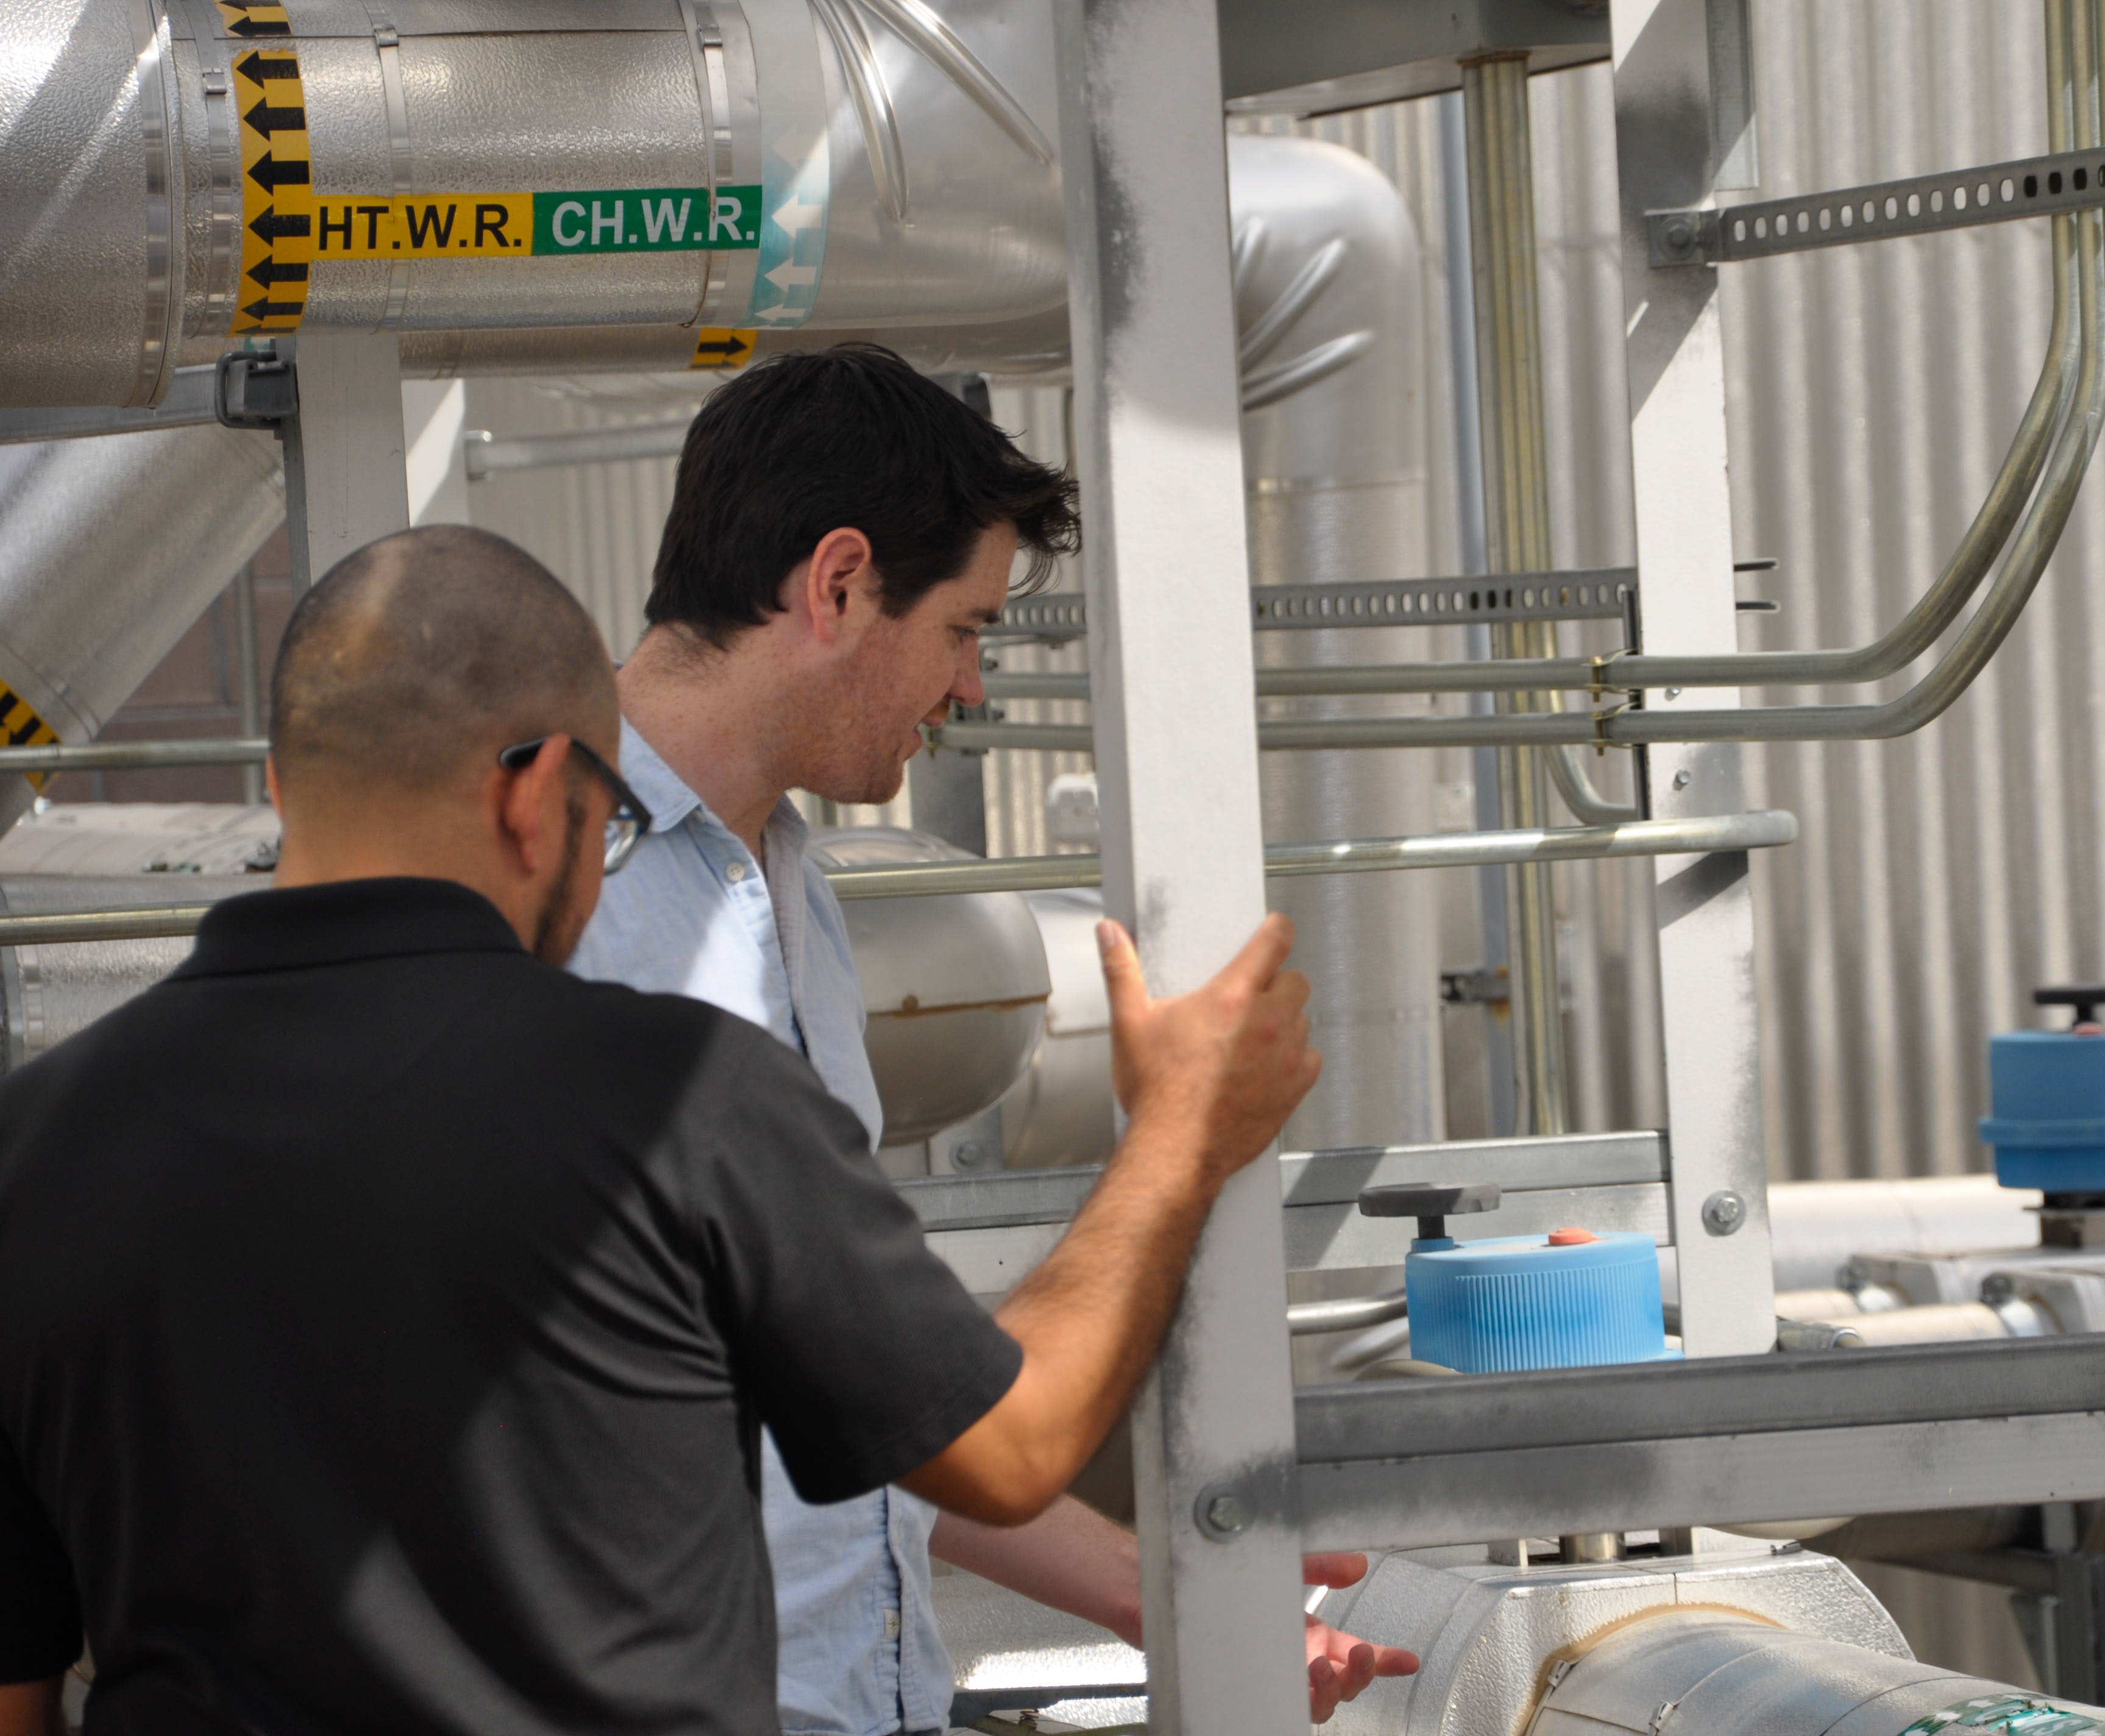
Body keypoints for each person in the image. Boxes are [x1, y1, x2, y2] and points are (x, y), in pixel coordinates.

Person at [0, 527, 1326, 1736]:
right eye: (613, 818)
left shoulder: (37, 1146)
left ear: (285, 789)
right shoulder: (680, 1099)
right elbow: (1012, 1437)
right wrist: (1179, 1132)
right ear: (536, 796)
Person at [571, 344, 1416, 1734]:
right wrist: (1180, 1132)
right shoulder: (556, 895)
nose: (968, 687)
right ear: (838, 583)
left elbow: (862, 1399)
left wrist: (1160, 1592)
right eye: (963, 626)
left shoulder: (784, 880)